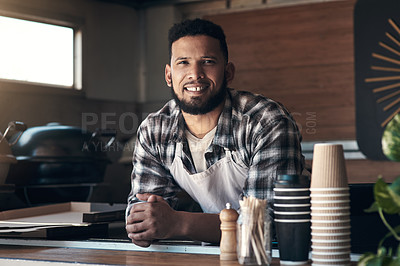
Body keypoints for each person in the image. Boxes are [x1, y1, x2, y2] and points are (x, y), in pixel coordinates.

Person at [125, 18, 306, 247]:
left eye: (208, 62)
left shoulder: (265, 122)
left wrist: (178, 223)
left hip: (282, 253)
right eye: (183, 62)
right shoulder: (155, 131)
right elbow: (141, 212)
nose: (195, 74)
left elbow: (264, 226)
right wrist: (143, 225)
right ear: (169, 76)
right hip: (213, 250)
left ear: (228, 72)